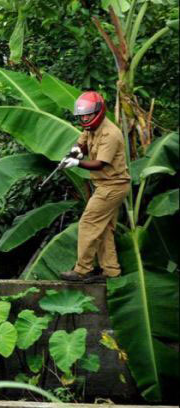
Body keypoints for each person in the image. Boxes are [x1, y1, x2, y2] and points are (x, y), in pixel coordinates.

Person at [60, 91, 131, 283]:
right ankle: (111, 271)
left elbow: (100, 163)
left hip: (113, 186)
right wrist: (75, 150)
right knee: (104, 229)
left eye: (88, 115)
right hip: (105, 185)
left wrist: (76, 163)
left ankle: (82, 270)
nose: (84, 119)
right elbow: (82, 142)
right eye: (82, 116)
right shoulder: (91, 126)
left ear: (98, 112)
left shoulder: (111, 134)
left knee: (89, 223)